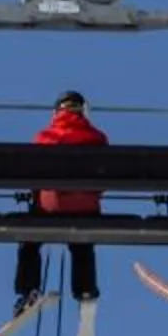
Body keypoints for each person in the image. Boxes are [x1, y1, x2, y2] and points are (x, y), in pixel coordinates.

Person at [12, 89, 106, 318]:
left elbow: (32, 176)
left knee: (30, 243)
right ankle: (85, 290)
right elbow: (103, 180)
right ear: (83, 110)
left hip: (50, 207)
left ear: (56, 112)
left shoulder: (45, 137)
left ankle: (28, 290)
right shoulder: (97, 138)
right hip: (85, 208)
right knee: (83, 243)